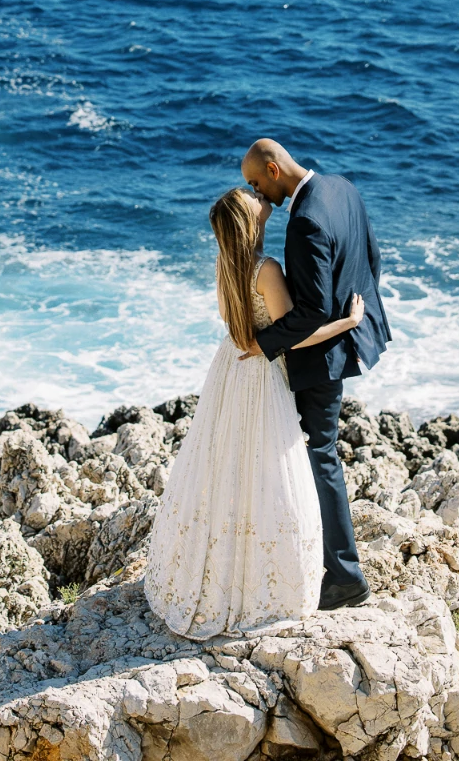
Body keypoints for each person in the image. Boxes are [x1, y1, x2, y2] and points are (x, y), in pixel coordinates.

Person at [144, 187, 365, 639]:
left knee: (229, 464)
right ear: (251, 221)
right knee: (268, 469)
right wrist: (346, 323)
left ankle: (223, 563)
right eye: (253, 199)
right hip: (261, 373)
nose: (260, 196)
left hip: (230, 368)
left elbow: (239, 326)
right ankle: (263, 573)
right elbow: (290, 336)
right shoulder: (266, 270)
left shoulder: (226, 266)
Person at [240, 139, 391, 611]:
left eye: (256, 182)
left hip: (320, 359)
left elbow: (307, 315)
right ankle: (315, 557)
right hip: (346, 341)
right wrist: (357, 320)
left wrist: (261, 344)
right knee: (315, 454)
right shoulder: (340, 186)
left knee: (321, 458)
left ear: (272, 168)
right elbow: (373, 257)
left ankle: (345, 575)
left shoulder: (304, 221)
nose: (256, 193)